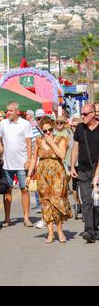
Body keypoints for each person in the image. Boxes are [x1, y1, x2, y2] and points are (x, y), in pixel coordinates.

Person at [26, 117, 72, 243]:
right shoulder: (38, 141)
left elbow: (62, 155)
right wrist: (29, 175)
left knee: (57, 201)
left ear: (54, 128)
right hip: (42, 174)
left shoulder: (61, 139)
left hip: (57, 174)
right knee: (46, 203)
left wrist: (51, 142)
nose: (47, 133)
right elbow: (34, 159)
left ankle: (60, 231)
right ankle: (50, 233)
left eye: (50, 130)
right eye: (45, 130)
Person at [0, 102, 33, 227]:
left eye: (10, 111)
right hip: (7, 164)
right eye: (7, 111)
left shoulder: (25, 124)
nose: (8, 113)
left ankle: (26, 218)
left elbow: (29, 143)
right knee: (7, 191)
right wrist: (0, 148)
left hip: (21, 163)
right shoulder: (3, 124)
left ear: (17, 111)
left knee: (24, 190)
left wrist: (29, 160)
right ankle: (7, 219)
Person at [71, 103, 99, 243]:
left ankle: (95, 227)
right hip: (83, 170)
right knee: (87, 200)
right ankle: (89, 230)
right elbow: (75, 148)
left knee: (97, 201)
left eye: (85, 114)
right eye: (81, 114)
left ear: (93, 114)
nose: (82, 116)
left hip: (98, 171)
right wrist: (72, 167)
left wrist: (97, 174)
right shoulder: (80, 128)